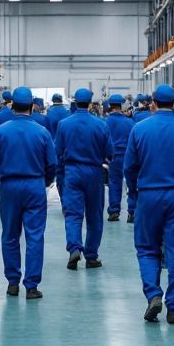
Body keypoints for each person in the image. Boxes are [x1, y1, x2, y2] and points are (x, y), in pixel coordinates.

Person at [123, 84, 174, 324]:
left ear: (153, 103)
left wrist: (136, 193)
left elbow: (130, 168)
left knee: (147, 248)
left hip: (148, 195)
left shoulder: (139, 129)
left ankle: (153, 294)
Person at [0, 87, 57, 299]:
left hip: (10, 186)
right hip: (34, 186)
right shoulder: (42, 132)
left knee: (10, 235)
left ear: (11, 106)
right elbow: (52, 164)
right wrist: (44, 182)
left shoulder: (1, 132)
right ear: (32, 106)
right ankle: (32, 286)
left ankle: (12, 282)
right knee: (35, 236)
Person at [55, 88, 110, 271]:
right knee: (94, 216)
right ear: (91, 103)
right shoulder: (101, 125)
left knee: (73, 214)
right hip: (94, 172)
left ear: (74, 102)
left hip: (72, 172)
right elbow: (109, 152)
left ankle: (74, 248)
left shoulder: (64, 125)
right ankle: (91, 256)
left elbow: (58, 152)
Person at [104, 95, 134, 222]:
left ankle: (114, 211)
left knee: (114, 183)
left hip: (113, 157)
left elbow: (102, 141)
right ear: (121, 106)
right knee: (132, 183)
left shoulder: (104, 123)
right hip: (128, 156)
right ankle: (132, 212)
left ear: (110, 106)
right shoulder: (130, 122)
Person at [127, 94, 153, 224]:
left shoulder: (136, 123)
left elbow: (129, 167)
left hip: (146, 186)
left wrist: (132, 187)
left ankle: (132, 210)